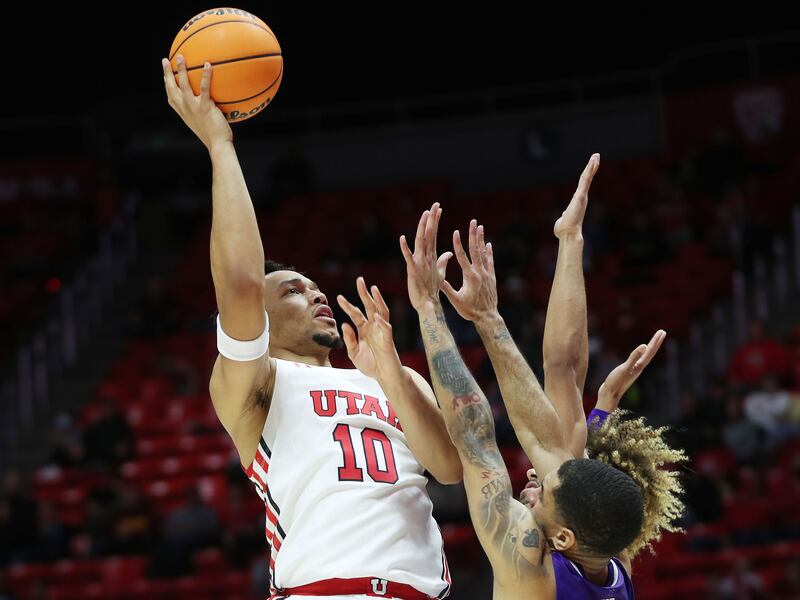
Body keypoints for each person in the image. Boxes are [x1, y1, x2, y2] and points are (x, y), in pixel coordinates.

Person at [162, 55, 461, 599]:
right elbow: (241, 282)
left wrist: (392, 375)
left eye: (315, 287)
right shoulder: (257, 382)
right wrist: (220, 147)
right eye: (293, 290)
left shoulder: (397, 378)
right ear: (263, 319)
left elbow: (448, 468)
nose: (316, 293)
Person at [397, 156, 684, 598]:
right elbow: (560, 387)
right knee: (565, 398)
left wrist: (429, 311)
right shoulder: (610, 558)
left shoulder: (532, 570)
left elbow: (476, 441)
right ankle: (569, 237)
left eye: (542, 492)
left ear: (563, 538)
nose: (532, 478)